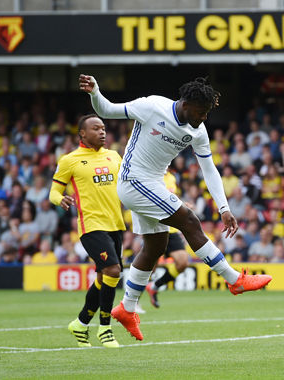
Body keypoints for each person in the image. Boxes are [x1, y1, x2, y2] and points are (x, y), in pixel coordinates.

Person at [80, 74, 272, 341]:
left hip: (151, 183)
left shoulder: (198, 130)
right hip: (133, 180)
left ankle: (127, 308)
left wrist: (224, 207)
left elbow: (209, 169)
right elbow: (106, 110)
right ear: (186, 103)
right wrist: (95, 92)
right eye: (201, 112)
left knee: (156, 247)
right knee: (190, 221)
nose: (204, 117)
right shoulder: (152, 107)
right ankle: (234, 279)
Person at [49, 114, 126, 348]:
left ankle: (81, 324)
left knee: (104, 277)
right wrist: (59, 200)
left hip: (116, 224)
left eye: (103, 128)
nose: (102, 132)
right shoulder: (69, 160)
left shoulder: (114, 156)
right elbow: (53, 191)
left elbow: (128, 183)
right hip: (90, 225)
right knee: (113, 270)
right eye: (96, 128)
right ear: (82, 133)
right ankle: (105, 328)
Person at [145, 170, 190, 308]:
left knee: (182, 262)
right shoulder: (150, 174)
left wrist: (183, 205)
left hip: (172, 228)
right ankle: (132, 300)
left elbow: (172, 197)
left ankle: (155, 286)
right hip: (156, 226)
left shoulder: (171, 177)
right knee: (149, 267)